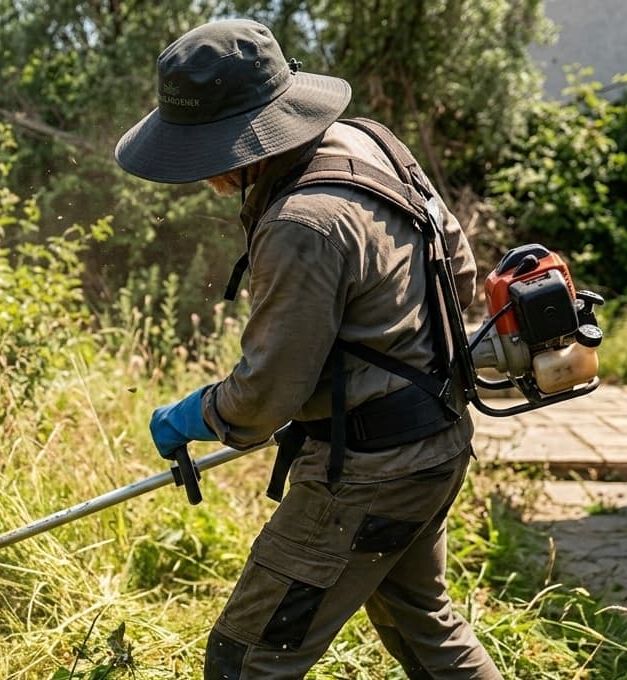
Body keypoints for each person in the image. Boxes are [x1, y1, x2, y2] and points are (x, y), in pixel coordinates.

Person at [114, 19, 504, 680]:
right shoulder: (371, 141)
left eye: (200, 150)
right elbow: (458, 273)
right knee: (422, 623)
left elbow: (261, 402)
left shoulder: (301, 224)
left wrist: (194, 415)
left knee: (245, 659)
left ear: (246, 142)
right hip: (436, 441)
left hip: (368, 476)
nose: (195, 170)